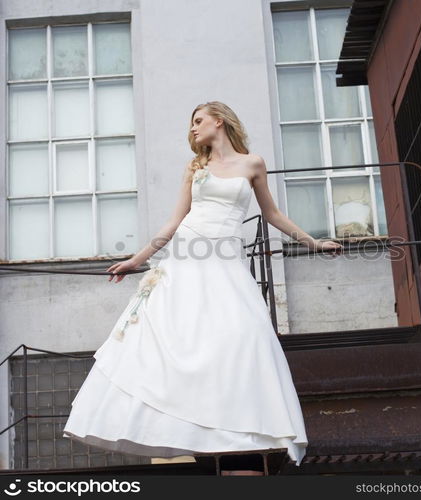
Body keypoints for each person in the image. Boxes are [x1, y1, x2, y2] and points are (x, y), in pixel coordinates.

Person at [63, 101, 343, 476]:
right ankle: (193, 426)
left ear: (219, 121)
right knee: (181, 338)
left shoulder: (252, 164)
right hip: (188, 259)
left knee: (241, 336)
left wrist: (314, 243)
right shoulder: (195, 168)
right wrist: (137, 259)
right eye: (191, 124)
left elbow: (273, 215)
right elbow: (174, 222)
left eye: (198, 121)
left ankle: (238, 432)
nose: (193, 129)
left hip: (226, 263)